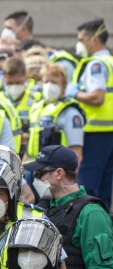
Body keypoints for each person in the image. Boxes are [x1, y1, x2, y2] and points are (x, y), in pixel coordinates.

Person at [71, 18, 113, 207]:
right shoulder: (110, 61)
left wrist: (74, 93)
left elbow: (97, 97)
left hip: (95, 132)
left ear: (94, 39)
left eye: (81, 39)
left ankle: (88, 230)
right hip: (108, 133)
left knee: (87, 187)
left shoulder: (96, 65)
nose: (79, 43)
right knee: (104, 187)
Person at [26, 65, 85, 160]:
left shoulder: (70, 112)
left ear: (63, 86)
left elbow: (76, 151)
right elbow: (29, 148)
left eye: (54, 82)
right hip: (33, 166)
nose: (49, 86)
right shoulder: (36, 108)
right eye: (46, 82)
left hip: (55, 169)